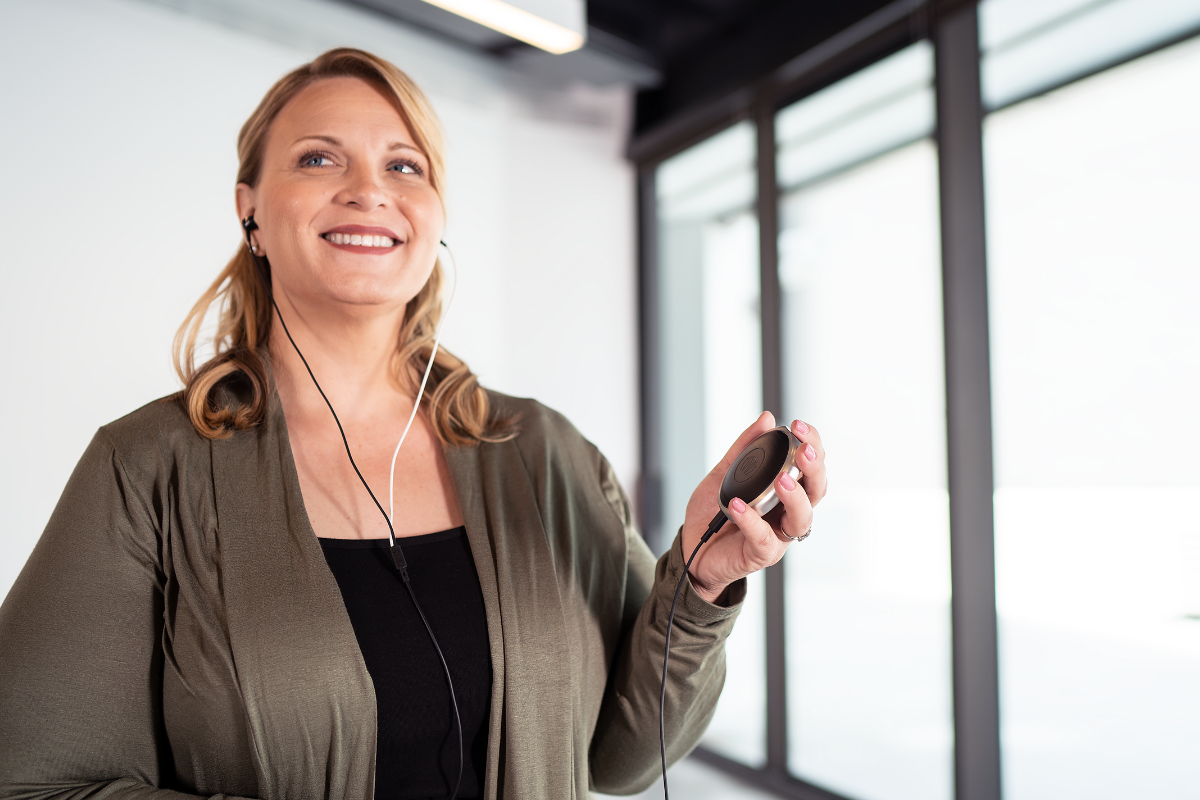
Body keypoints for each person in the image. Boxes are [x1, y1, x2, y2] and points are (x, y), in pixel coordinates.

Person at [0, 48, 827, 800]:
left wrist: (703, 581)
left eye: (405, 164)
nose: (370, 190)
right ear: (250, 210)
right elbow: (35, 783)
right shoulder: (146, 468)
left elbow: (621, 758)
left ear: (433, 216)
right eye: (318, 158)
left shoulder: (544, 452)